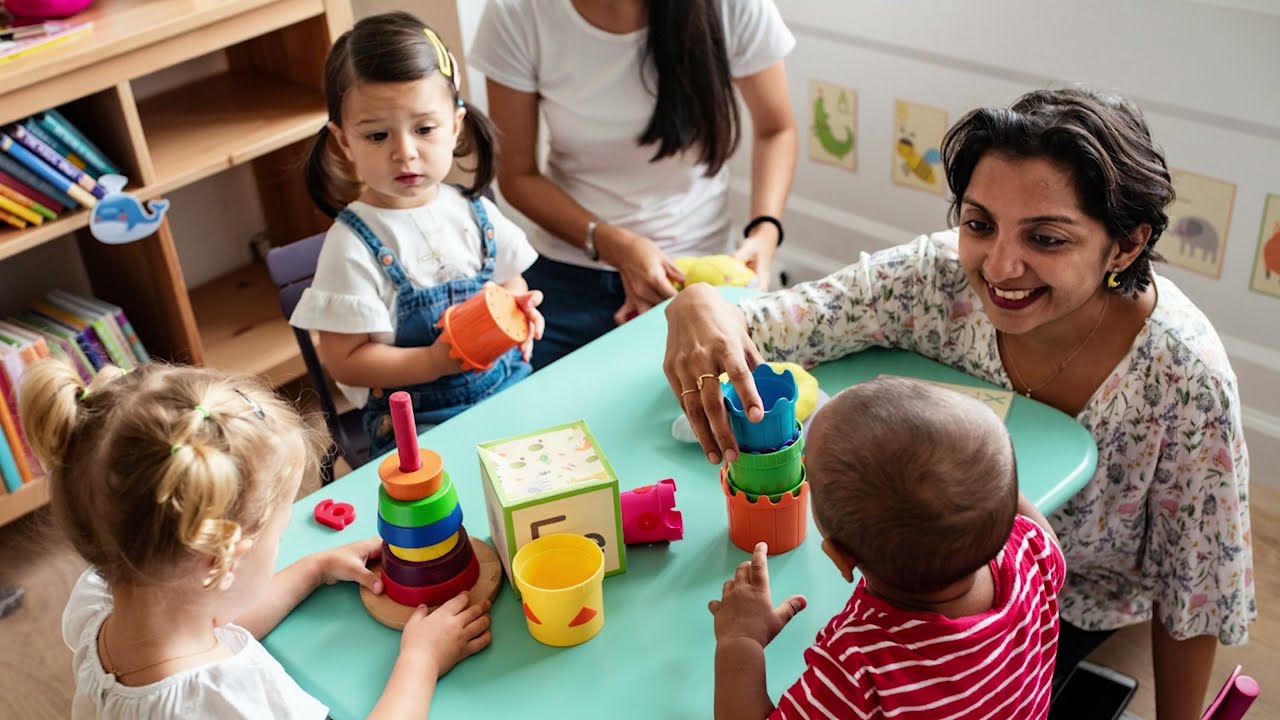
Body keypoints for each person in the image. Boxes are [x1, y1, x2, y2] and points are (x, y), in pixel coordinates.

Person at [666, 87, 1253, 718]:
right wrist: (697, 304)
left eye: (1047, 239)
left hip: (1073, 604)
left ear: (1126, 246)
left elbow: (1196, 588)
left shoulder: (1186, 377)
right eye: (978, 224)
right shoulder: (929, 280)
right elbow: (769, 325)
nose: (1000, 266)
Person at [18, 361, 492, 719]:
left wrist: (313, 568)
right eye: (280, 535)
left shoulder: (102, 603)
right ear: (221, 561)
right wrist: (421, 660)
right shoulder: (228, 699)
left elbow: (216, 618)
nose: (284, 545)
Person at [711, 377, 1064, 719]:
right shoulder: (1032, 554)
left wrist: (741, 639)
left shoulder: (860, 667)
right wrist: (972, 474)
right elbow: (1009, 506)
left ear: (841, 556)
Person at [471, 0, 797, 368]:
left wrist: (765, 232)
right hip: (570, 271)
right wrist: (616, 244)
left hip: (698, 273)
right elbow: (517, 176)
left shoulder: (732, 7)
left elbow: (776, 129)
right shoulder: (517, 12)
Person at [293, 12, 545, 458]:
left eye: (425, 129)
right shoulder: (352, 245)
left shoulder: (474, 211)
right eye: (376, 135)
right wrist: (432, 362)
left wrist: (517, 312)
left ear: (455, 125)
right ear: (343, 142)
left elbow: (510, 281)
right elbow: (343, 359)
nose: (404, 152)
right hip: (421, 426)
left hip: (510, 389)